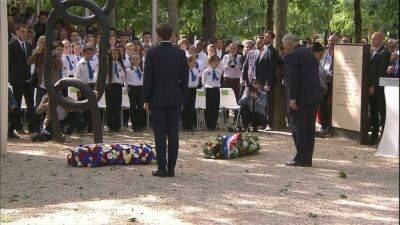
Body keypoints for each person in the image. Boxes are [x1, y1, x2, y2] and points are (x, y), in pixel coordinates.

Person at [142, 23, 189, 177]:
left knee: (160, 135)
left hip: (157, 98)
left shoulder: (152, 52)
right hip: (175, 98)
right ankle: (171, 169)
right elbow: (185, 79)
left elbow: (148, 78)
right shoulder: (180, 53)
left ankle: (162, 168)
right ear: (171, 35)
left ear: (159, 35)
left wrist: (146, 99)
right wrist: (183, 98)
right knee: (173, 134)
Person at [283, 35, 321, 167]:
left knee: (297, 127)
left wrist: (292, 98)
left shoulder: (291, 56)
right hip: (313, 96)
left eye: (284, 46)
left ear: (288, 45)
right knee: (309, 128)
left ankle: (301, 158)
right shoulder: (308, 53)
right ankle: (307, 157)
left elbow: (293, 79)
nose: (284, 49)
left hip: (300, 98)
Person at [8, 23, 35, 134]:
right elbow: (9, 63)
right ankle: (17, 127)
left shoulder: (29, 45)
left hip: (28, 79)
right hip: (17, 79)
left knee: (30, 104)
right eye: (22, 31)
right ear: (17, 32)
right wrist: (9, 78)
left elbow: (30, 63)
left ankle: (32, 128)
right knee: (17, 104)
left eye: (25, 32)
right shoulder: (11, 45)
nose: (24, 34)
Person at [367, 32, 391, 145]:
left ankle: (384, 138)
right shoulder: (371, 52)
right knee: (373, 112)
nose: (371, 41)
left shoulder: (385, 53)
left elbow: (381, 72)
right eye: (371, 39)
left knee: (382, 113)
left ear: (381, 39)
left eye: (374, 39)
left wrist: (374, 86)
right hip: (370, 88)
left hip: (379, 89)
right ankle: (374, 136)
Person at [255, 31, 278, 130]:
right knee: (261, 102)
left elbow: (272, 69)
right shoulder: (263, 50)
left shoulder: (272, 51)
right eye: (264, 36)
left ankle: (269, 123)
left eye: (267, 37)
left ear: (272, 39)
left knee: (269, 103)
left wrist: (267, 83)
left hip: (267, 82)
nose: (265, 38)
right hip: (260, 81)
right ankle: (262, 122)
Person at [74, 45, 97, 132]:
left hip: (91, 85)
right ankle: (82, 127)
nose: (89, 55)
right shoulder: (80, 63)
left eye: (91, 53)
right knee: (83, 107)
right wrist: (78, 89)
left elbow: (95, 74)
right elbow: (76, 77)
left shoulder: (93, 63)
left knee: (91, 106)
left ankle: (91, 127)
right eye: (88, 53)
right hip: (83, 86)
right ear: (84, 53)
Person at [319, 34, 338, 134]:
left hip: (334, 81)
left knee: (332, 105)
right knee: (323, 104)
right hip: (323, 81)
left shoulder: (339, 52)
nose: (331, 43)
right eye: (329, 41)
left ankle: (332, 127)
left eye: (333, 41)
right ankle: (324, 126)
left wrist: (332, 75)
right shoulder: (325, 51)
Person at [106, 47, 126, 132]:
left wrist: (121, 81)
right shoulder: (107, 63)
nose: (115, 55)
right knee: (110, 107)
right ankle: (110, 125)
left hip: (118, 86)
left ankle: (117, 126)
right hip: (110, 87)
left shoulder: (120, 63)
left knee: (117, 107)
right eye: (113, 53)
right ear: (110, 54)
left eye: (117, 54)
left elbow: (123, 75)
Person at [126, 54, 146, 132]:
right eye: (134, 59)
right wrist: (128, 89)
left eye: (138, 59)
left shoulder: (142, 69)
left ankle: (139, 125)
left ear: (140, 60)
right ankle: (134, 126)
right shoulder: (129, 70)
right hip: (133, 88)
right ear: (132, 61)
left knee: (140, 107)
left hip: (140, 88)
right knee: (133, 107)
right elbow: (126, 81)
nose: (136, 60)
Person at [202, 54, 222, 131]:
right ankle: (209, 125)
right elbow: (204, 82)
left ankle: (213, 124)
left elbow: (219, 81)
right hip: (209, 90)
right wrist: (205, 89)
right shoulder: (206, 71)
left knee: (215, 107)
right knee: (209, 108)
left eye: (218, 63)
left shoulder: (219, 72)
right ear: (211, 62)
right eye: (216, 62)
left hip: (216, 90)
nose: (217, 64)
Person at [182, 56, 201, 131]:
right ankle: (185, 126)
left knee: (192, 108)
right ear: (188, 62)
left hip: (193, 90)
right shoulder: (183, 71)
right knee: (185, 108)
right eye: (193, 62)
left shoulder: (195, 71)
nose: (195, 64)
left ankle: (191, 125)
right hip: (186, 90)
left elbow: (197, 81)